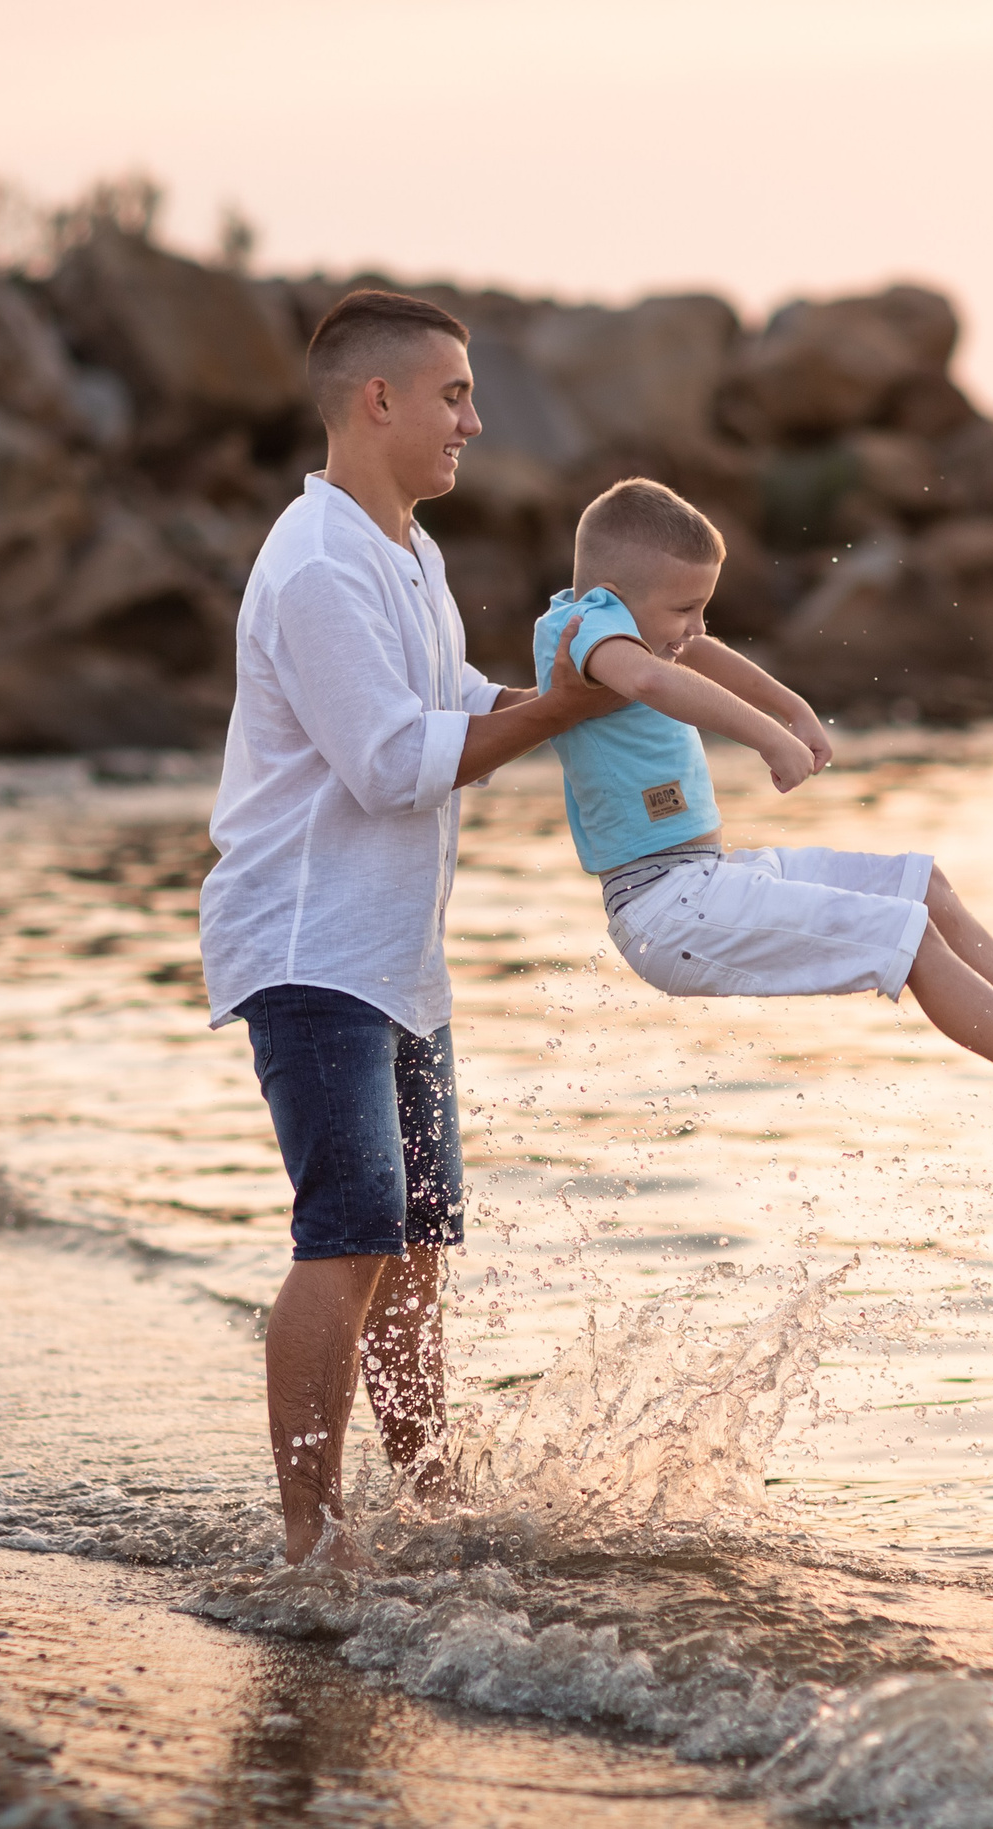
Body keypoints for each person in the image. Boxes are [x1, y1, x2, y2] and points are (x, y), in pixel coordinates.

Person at [199, 289, 619, 1566]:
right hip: (308, 945)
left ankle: (431, 1505)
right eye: (452, 394)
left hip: (398, 960)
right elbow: (392, 762)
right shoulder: (317, 563)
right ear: (375, 400)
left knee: (422, 1242)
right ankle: (309, 1544)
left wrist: (579, 692)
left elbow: (452, 705)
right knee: (355, 1231)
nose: (474, 422)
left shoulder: (409, 554)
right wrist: (547, 719)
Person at [534, 478, 993, 1138]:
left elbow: (698, 654)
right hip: (663, 909)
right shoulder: (583, 627)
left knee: (925, 886)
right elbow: (654, 678)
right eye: (684, 609)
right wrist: (768, 737)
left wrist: (793, 706)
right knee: (908, 934)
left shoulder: (623, 621)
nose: (694, 628)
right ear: (616, 594)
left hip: (705, 876)